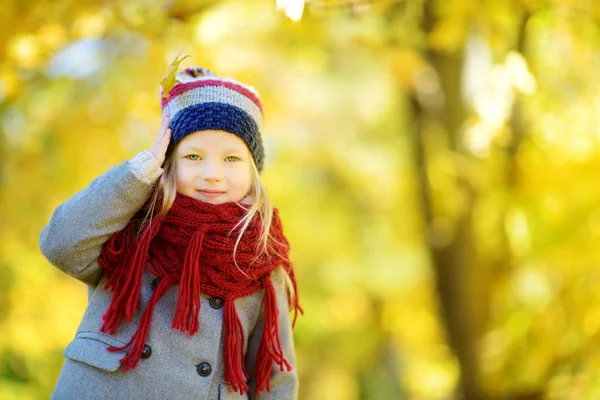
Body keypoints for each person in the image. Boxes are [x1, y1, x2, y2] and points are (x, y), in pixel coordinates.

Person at [39, 66, 302, 400]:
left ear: (252, 173)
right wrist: (140, 171)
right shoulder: (134, 224)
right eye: (193, 156)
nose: (212, 174)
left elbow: (274, 378)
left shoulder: (261, 256)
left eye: (231, 159)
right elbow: (60, 244)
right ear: (168, 160)